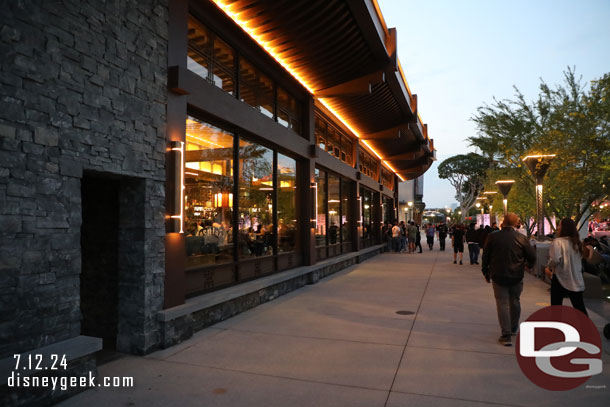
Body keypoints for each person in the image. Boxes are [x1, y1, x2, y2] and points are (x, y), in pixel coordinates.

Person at [482, 213, 536, 346]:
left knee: (502, 304)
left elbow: (486, 256)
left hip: (498, 275)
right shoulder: (522, 238)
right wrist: (527, 266)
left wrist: (485, 272)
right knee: (515, 301)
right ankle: (513, 328)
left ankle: (505, 335)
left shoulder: (492, 237)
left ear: (503, 222)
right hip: (517, 275)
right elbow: (532, 257)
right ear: (516, 223)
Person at [544, 218, 588, 316]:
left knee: (556, 308)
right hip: (576, 277)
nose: (558, 227)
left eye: (559, 225)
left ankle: (557, 329)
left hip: (560, 277)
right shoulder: (577, 242)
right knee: (579, 307)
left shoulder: (558, 242)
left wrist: (549, 266)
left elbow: (555, 259)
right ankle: (587, 328)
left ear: (564, 228)